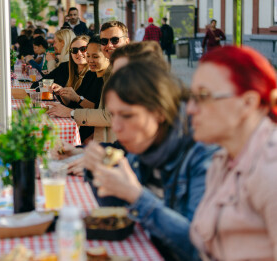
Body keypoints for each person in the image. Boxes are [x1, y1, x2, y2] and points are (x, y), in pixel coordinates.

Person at [82, 60, 216, 260]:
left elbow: (200, 248)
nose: (116, 126)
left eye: (127, 116)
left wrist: (137, 196)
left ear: (159, 113)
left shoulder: (202, 154)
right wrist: (97, 173)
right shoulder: (145, 142)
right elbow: (120, 215)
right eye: (113, 114)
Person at [188, 46, 277, 260]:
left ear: (247, 103)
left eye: (203, 96)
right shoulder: (223, 159)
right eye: (191, 97)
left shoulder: (270, 169)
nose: (190, 108)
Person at [72, 21, 130, 143]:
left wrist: (71, 113)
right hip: (108, 145)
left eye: (115, 40)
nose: (109, 45)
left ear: (126, 42)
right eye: (104, 41)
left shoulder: (126, 71)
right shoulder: (113, 69)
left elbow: (109, 116)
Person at [47, 36, 109, 143]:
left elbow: (97, 109)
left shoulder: (111, 79)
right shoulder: (90, 74)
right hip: (82, 130)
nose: (90, 60)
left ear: (107, 56)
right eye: (88, 56)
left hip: (94, 134)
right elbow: (74, 104)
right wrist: (63, 93)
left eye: (95, 56)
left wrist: (77, 98)